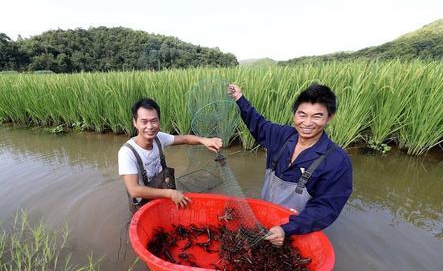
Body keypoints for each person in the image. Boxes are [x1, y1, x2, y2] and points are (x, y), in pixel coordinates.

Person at [228, 83, 352, 246]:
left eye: (317, 116)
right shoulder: (283, 136)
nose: (307, 123)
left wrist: (287, 229)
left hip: (297, 231)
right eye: (302, 115)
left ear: (329, 117)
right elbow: (258, 125)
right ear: (294, 114)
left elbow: (326, 208)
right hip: (264, 221)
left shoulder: (337, 161)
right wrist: (239, 98)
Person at [118, 98, 222, 211]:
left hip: (163, 196)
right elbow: (134, 190)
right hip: (142, 205)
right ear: (135, 122)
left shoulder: (159, 138)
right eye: (144, 122)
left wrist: (203, 140)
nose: (150, 126)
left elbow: (184, 139)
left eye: (154, 121)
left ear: (159, 121)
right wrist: (170, 193)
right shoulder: (127, 153)